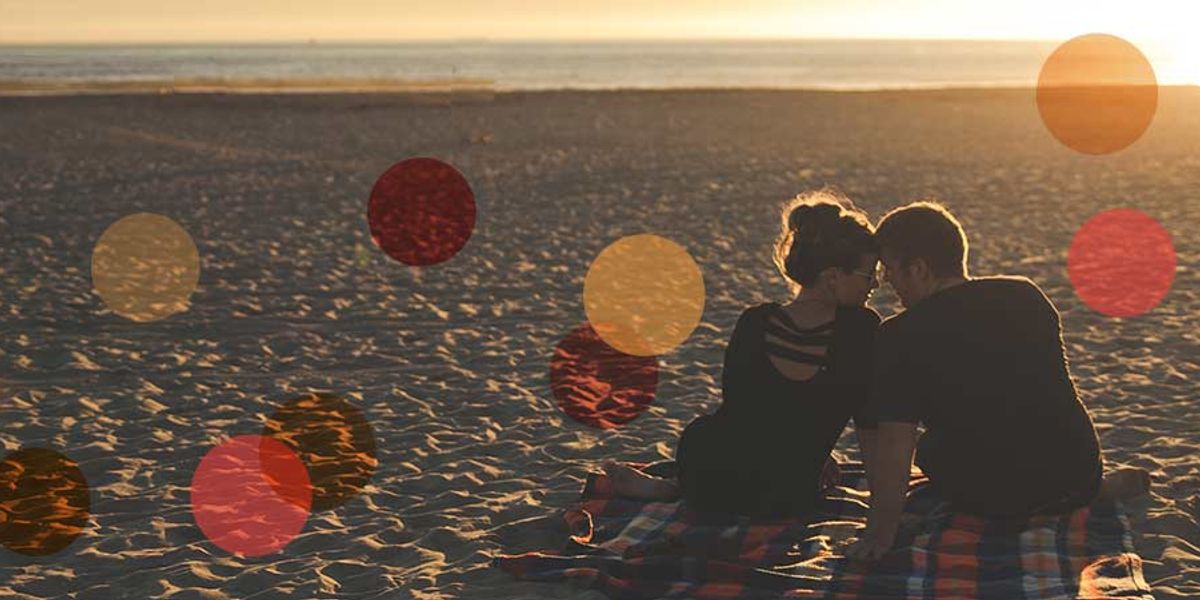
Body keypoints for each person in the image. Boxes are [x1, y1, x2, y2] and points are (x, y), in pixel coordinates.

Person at [847, 201, 1151, 561]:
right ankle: (1094, 492)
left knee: (930, 451)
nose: (887, 283)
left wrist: (881, 532)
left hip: (999, 498)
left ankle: (1045, 501)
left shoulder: (899, 334)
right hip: (1079, 472)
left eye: (890, 270)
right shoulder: (1025, 294)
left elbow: (897, 442)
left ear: (918, 269)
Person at [604, 190, 883, 518]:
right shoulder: (861, 329)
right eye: (868, 274)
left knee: (707, 435)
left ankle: (672, 489)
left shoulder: (755, 321)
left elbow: (747, 411)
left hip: (712, 476)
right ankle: (671, 489)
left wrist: (817, 450)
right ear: (833, 277)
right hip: (787, 492)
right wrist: (880, 506)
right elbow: (868, 426)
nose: (875, 285)